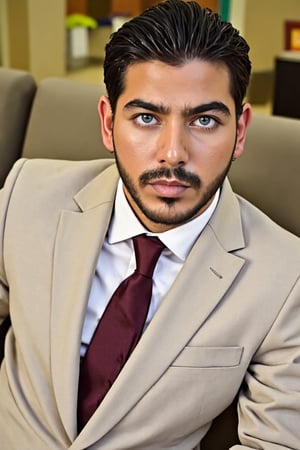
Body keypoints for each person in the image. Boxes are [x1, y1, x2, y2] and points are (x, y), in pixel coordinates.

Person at [0, 0, 299, 448]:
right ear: (107, 123)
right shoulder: (26, 196)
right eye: (146, 118)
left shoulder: (286, 278)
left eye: (204, 120)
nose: (173, 152)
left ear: (239, 132)